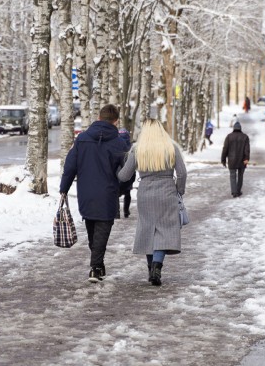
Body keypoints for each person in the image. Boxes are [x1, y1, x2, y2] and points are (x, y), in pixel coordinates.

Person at [117, 105, 187, 286]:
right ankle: (157, 264)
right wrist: (179, 190)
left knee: (148, 229)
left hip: (145, 194)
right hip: (167, 193)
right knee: (164, 231)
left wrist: (114, 171)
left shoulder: (137, 149)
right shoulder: (171, 148)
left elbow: (124, 175)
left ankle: (151, 269)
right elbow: (182, 173)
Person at [60, 104, 129, 283]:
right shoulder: (119, 143)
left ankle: (97, 264)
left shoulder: (82, 139)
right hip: (108, 194)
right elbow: (127, 171)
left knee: (93, 230)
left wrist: (64, 189)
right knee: (102, 231)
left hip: (86, 193)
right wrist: (122, 189)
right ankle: (95, 267)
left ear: (99, 118)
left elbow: (70, 167)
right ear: (116, 121)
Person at [221, 121, 250, 198]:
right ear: (240, 128)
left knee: (232, 176)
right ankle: (238, 191)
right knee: (240, 176)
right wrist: (246, 158)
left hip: (232, 160)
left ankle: (234, 192)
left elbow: (225, 149)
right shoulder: (245, 137)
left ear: (234, 128)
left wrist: (223, 159)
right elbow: (247, 149)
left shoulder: (229, 137)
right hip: (242, 160)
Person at [117, 126, 133, 219]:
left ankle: (117, 213)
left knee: (116, 193)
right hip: (129, 171)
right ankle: (126, 211)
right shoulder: (130, 146)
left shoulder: (116, 144)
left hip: (117, 171)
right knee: (127, 193)